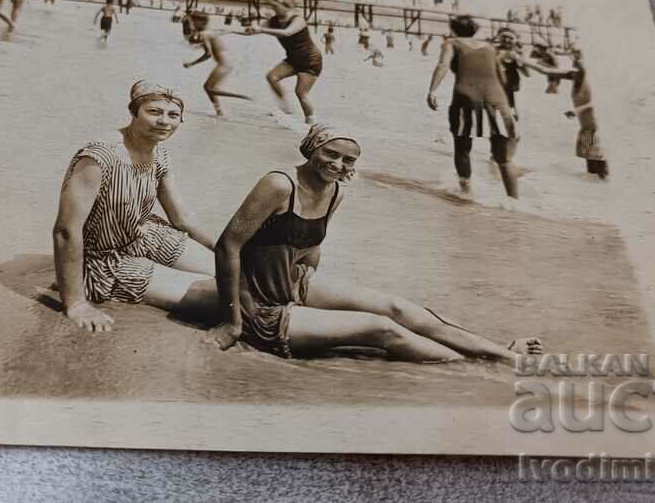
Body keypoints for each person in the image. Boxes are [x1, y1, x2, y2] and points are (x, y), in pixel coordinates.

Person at [206, 124, 543, 362]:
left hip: (292, 286)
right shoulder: (279, 184)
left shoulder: (335, 191)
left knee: (398, 308)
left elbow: (309, 248)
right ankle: (488, 364)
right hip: (257, 307)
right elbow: (228, 246)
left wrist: (310, 300)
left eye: (348, 160)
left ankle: (499, 351)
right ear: (311, 149)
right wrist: (231, 322)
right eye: (330, 154)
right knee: (381, 329)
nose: (338, 165)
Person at [53, 82, 220, 331]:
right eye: (154, 112)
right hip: (103, 259)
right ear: (133, 112)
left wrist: (227, 250)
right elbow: (66, 230)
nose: (164, 121)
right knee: (221, 296)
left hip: (142, 233)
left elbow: (181, 217)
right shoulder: (99, 157)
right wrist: (76, 303)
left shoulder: (159, 153)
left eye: (173, 115)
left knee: (240, 273)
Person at [426, 16, 520, 198]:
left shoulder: (451, 43)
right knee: (504, 158)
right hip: (498, 102)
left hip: (466, 100)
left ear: (453, 30)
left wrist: (432, 91)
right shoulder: (490, 47)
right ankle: (514, 202)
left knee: (462, 149)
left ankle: (465, 193)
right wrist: (510, 108)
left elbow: (443, 64)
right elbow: (502, 79)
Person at [242, 0, 324, 125]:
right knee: (272, 77)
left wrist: (261, 29)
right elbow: (254, 30)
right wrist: (236, 30)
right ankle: (285, 107)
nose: (274, 9)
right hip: (293, 59)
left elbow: (287, 32)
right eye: (272, 7)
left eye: (276, 6)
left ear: (286, 6)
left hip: (310, 60)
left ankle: (311, 122)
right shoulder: (273, 21)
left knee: (301, 93)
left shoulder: (298, 19)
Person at [180, 11, 252, 115]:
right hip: (227, 62)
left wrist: (192, 63)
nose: (192, 24)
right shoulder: (209, 31)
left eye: (193, 22)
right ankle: (219, 111)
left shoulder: (204, 34)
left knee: (209, 88)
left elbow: (208, 54)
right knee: (208, 88)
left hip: (224, 64)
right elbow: (226, 31)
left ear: (199, 22)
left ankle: (245, 96)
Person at [562, 51, 608, 179]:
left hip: (594, 124)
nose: (574, 73)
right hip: (586, 125)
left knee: (597, 153)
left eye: (577, 70)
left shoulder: (588, 83)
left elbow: (597, 102)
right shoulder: (576, 83)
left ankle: (601, 177)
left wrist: (577, 110)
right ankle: (595, 177)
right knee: (587, 151)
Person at [494, 27, 528, 118]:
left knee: (509, 96)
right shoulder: (496, 50)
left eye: (510, 38)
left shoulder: (516, 52)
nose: (506, 40)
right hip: (499, 77)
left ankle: (511, 111)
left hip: (510, 78)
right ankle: (509, 111)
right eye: (504, 38)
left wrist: (521, 64)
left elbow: (524, 69)